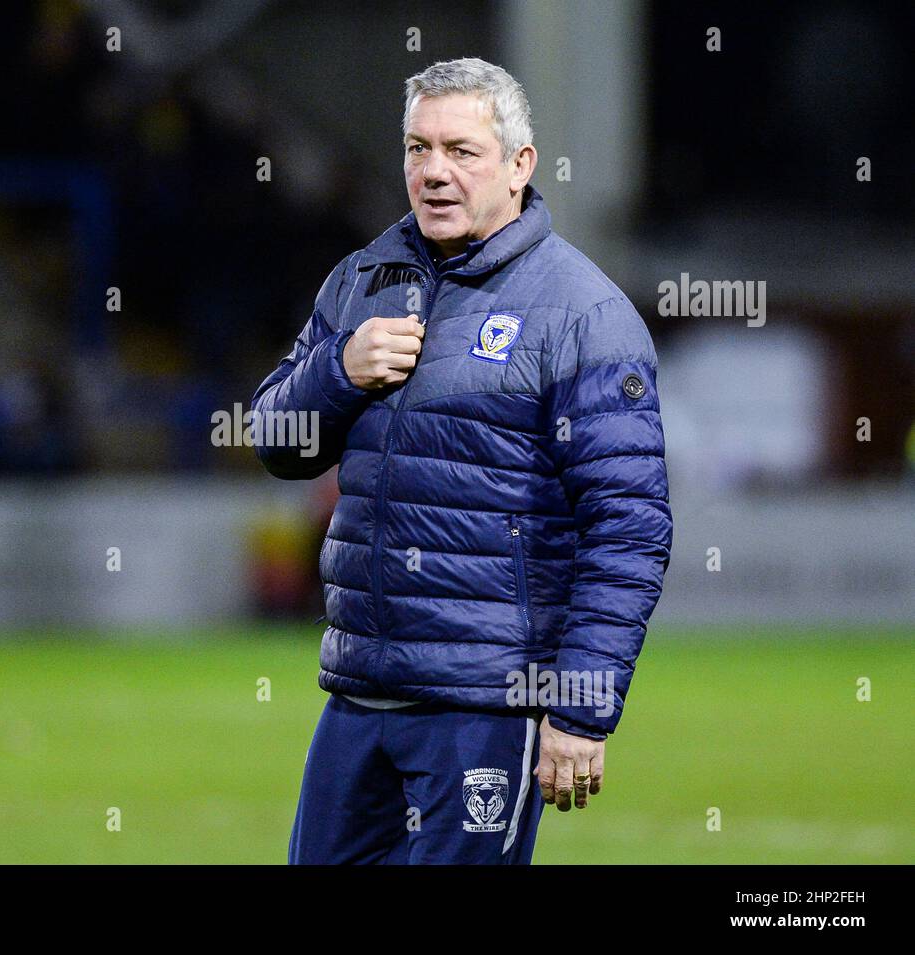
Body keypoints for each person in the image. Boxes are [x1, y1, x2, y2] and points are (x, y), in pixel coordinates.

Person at [251, 57, 672, 864]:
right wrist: (338, 371)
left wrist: (581, 708)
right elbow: (275, 442)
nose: (433, 172)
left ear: (520, 165)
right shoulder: (362, 282)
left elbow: (628, 527)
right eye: (418, 148)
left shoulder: (582, 313)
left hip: (487, 702)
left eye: (461, 150)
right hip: (359, 691)